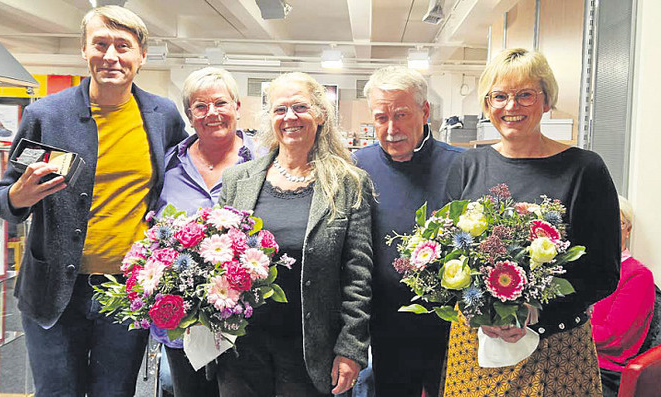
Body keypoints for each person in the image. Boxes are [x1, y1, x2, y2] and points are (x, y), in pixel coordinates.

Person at [0, 6, 187, 397]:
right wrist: (19, 196)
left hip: (126, 292)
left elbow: (182, 176)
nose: (111, 56)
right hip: (53, 291)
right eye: (100, 44)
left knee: (115, 392)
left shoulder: (161, 115)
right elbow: (4, 198)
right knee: (57, 392)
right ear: (84, 50)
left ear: (141, 56)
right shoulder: (45, 114)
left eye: (123, 46)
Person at [442, 48, 620, 396]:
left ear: (546, 100)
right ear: (487, 104)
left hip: (557, 347)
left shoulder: (584, 169)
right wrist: (475, 307)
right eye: (500, 96)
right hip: (477, 344)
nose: (512, 107)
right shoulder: (468, 166)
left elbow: (603, 272)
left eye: (525, 94)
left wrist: (534, 312)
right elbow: (445, 254)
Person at [217, 72, 373, 397]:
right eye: (279, 110)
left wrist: (351, 347)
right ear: (269, 119)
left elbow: (358, 274)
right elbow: (217, 256)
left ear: (319, 114)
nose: (290, 117)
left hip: (311, 350)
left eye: (300, 107)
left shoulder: (349, 183)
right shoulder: (237, 180)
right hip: (241, 348)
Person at [353, 66, 462, 396]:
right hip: (388, 325)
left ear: (425, 111)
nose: (390, 129)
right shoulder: (359, 166)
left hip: (451, 325)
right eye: (381, 118)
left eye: (400, 115)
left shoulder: (462, 165)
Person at [154, 67, 260, 397]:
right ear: (189, 115)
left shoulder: (263, 162)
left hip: (247, 322)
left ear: (237, 107)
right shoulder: (168, 163)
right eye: (200, 107)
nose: (211, 113)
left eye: (221, 103)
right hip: (181, 319)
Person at [592, 195, 655, 397]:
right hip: (571, 356)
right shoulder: (585, 269)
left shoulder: (638, 275)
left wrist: (563, 329)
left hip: (604, 372)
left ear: (628, 230)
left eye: (616, 222)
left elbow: (614, 337)